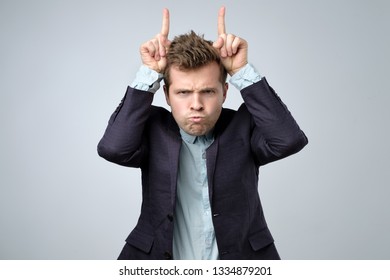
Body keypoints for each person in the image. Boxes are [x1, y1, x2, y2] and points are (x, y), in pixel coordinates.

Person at [97, 7, 308, 260]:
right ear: (166, 95)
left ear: (225, 93)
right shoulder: (152, 128)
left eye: (207, 92)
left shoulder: (244, 126)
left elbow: (288, 140)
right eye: (183, 92)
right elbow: (114, 148)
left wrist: (242, 72)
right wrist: (150, 73)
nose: (196, 104)